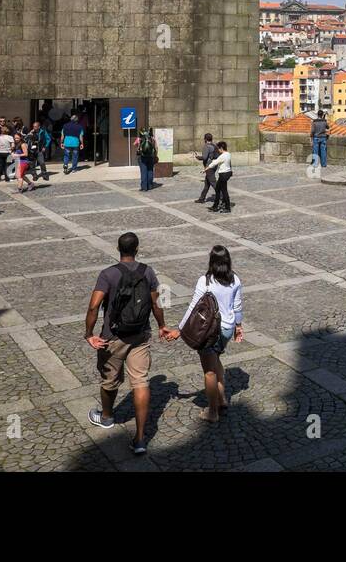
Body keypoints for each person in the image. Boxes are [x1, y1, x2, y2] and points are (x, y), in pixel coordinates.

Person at [85, 232, 177, 455]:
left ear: (118, 249)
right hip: (140, 334)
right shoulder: (147, 271)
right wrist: (162, 325)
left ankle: (106, 417)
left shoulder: (108, 274)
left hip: (113, 336)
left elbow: (94, 306)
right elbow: (156, 303)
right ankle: (140, 438)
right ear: (137, 249)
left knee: (109, 379)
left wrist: (89, 333)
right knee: (141, 381)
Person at [168, 245, 243, 423]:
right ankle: (222, 398)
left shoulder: (206, 281)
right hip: (227, 328)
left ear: (211, 261)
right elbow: (238, 306)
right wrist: (238, 326)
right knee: (216, 361)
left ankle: (212, 411)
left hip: (210, 330)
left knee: (209, 371)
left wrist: (180, 329)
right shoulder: (235, 279)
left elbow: (194, 307)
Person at [205, 140, 233, 213]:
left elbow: (214, 163)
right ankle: (216, 206)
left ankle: (226, 207)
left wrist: (206, 169)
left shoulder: (222, 156)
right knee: (219, 190)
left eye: (218, 149)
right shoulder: (228, 154)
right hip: (227, 173)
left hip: (223, 174)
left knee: (223, 191)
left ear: (221, 148)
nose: (218, 150)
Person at [194, 132, 217, 203]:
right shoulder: (214, 145)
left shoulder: (206, 146)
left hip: (209, 167)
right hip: (214, 165)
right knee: (207, 184)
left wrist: (197, 157)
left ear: (205, 139)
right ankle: (202, 198)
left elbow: (204, 157)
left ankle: (223, 196)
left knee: (213, 183)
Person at [135, 127, 158, 192]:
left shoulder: (139, 139)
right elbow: (156, 147)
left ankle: (144, 187)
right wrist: (155, 156)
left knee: (143, 171)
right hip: (151, 157)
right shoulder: (152, 139)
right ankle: (150, 185)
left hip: (142, 157)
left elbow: (135, 144)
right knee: (150, 170)